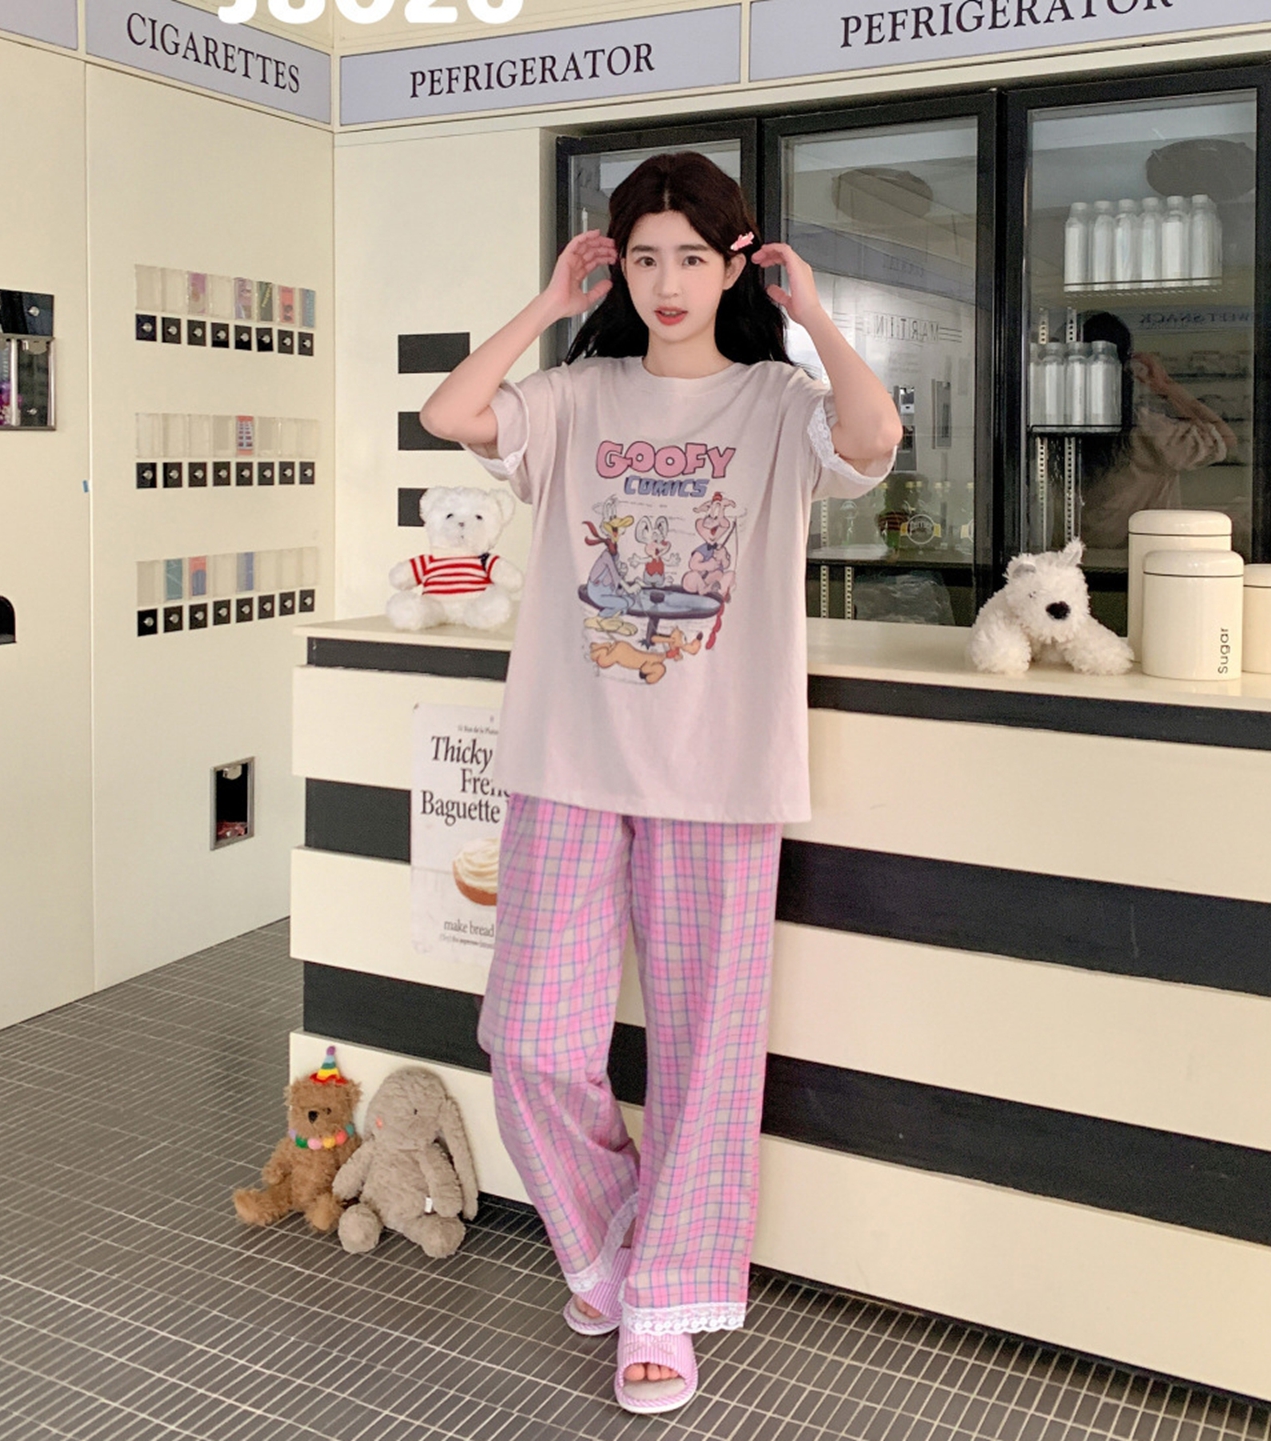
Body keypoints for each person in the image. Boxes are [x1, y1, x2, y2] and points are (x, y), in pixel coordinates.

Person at [419, 151, 899, 1415]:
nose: (667, 281)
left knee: (705, 1055)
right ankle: (613, 1245)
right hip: (567, 762)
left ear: (734, 265)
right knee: (532, 1041)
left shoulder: (777, 402)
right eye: (643, 257)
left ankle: (668, 1304)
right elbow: (453, 414)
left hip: (721, 773)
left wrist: (812, 314)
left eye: (692, 256)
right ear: (615, 267)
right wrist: (547, 305)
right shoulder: (576, 394)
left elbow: (874, 436)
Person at [1077, 313, 1238, 551]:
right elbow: (1226, 438)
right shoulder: (1147, 431)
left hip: (1071, 557)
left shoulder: (1055, 429)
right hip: (1144, 556)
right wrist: (1164, 385)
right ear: (1125, 366)